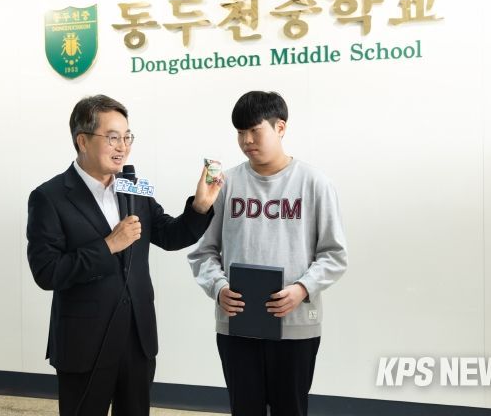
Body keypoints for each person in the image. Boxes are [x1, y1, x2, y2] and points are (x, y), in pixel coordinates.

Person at [27, 94, 221, 416]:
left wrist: (200, 207)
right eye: (113, 137)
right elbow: (47, 272)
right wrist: (108, 246)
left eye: (127, 137)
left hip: (137, 338)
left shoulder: (133, 186)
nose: (123, 147)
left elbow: (169, 235)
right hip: (84, 343)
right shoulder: (49, 197)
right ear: (82, 141)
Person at [187, 91, 348, 416]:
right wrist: (218, 288)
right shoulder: (225, 184)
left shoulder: (314, 183)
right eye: (240, 132)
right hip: (237, 324)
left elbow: (334, 254)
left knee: (291, 409)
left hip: (295, 325)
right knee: (244, 409)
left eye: (254, 130)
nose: (246, 140)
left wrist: (302, 289)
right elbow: (203, 252)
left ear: (280, 127)